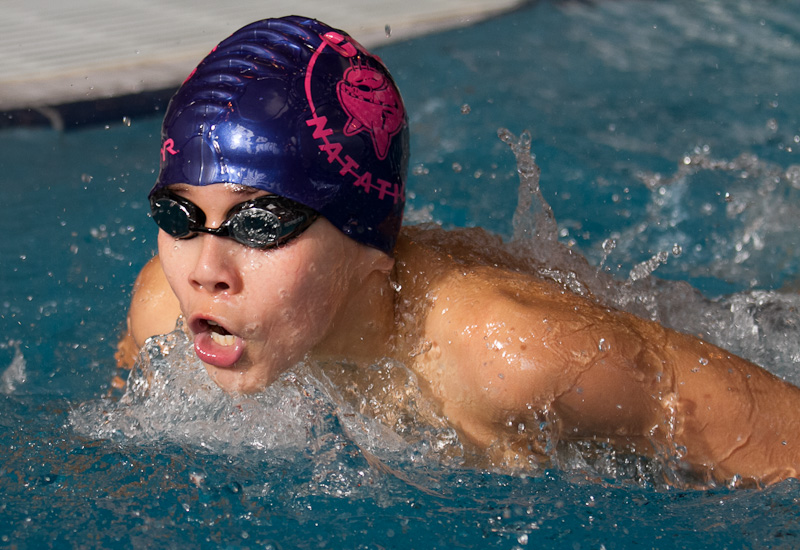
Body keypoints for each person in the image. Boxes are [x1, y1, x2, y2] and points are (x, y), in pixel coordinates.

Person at [116, 16, 800, 485]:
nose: (205, 270)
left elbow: (783, 442)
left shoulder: (512, 355)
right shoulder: (165, 309)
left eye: (261, 224)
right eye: (179, 215)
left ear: (365, 240)